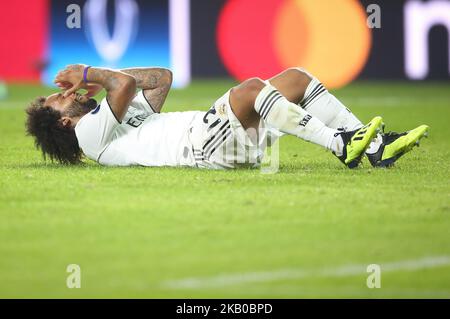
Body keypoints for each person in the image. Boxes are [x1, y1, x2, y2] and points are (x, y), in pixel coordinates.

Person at [25, 64, 428, 169]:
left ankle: (374, 147)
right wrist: (89, 74)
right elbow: (125, 85)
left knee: (296, 80)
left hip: (216, 138)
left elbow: (160, 80)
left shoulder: (109, 121)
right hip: (202, 146)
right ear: (62, 122)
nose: (63, 95)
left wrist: (100, 80)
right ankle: (342, 146)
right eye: (54, 101)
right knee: (251, 88)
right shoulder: (88, 136)